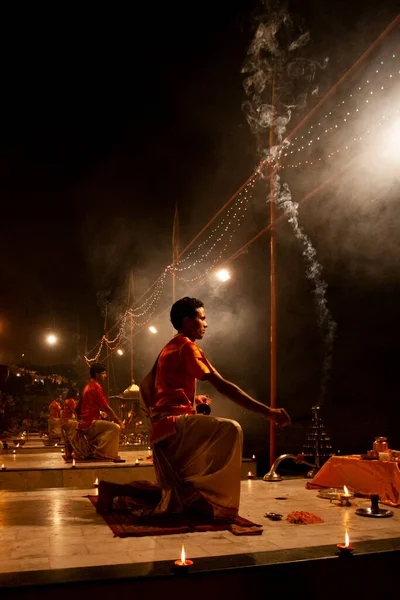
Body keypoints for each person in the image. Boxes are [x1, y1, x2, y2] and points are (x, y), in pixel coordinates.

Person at [97, 297, 290, 516]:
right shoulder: (187, 347)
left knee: (175, 489)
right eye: (202, 318)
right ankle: (213, 502)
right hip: (174, 426)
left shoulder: (170, 347)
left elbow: (161, 391)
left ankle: (113, 489)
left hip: (163, 427)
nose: (206, 324)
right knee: (231, 429)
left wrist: (193, 400)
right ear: (188, 321)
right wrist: (268, 413)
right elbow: (224, 386)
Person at [61, 363, 125, 462]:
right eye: (103, 373)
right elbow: (106, 408)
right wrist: (119, 421)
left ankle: (96, 450)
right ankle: (103, 454)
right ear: (97, 374)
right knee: (115, 428)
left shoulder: (87, 387)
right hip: (89, 423)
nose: (105, 376)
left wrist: (98, 413)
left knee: (107, 427)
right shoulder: (96, 387)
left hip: (84, 422)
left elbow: (81, 408)